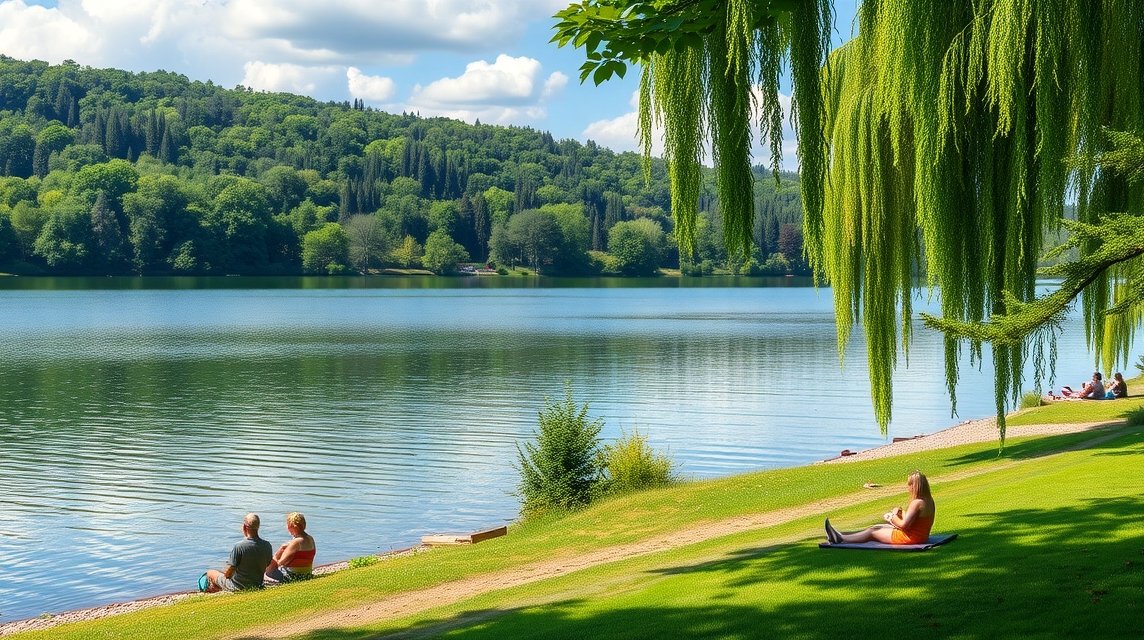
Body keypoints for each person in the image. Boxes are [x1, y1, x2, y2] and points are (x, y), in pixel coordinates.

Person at [825, 470, 934, 545]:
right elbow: (916, 520)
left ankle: (840, 539)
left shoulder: (916, 503)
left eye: (909, 485)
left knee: (873, 531)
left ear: (914, 486)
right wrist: (901, 513)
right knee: (877, 526)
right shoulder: (928, 500)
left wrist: (892, 517)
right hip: (920, 537)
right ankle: (842, 536)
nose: (907, 488)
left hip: (911, 539)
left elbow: (904, 525)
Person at [204, 513, 274, 592]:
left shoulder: (239, 546)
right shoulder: (267, 545)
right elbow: (267, 564)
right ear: (258, 527)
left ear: (244, 527)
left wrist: (225, 575)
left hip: (238, 586)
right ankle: (218, 589)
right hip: (257, 584)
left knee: (210, 573)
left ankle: (214, 591)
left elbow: (228, 574)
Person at [265, 511, 316, 583]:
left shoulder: (295, 542)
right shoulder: (310, 538)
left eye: (288, 525)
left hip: (294, 576)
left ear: (293, 527)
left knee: (270, 566)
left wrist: (276, 555)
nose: (287, 527)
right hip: (307, 574)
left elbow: (281, 563)